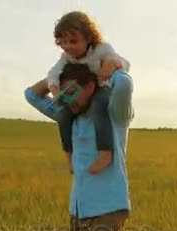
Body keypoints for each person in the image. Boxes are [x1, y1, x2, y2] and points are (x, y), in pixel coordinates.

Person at [24, 63, 134, 231]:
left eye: (73, 92)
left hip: (109, 210)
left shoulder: (114, 113)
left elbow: (125, 85)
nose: (66, 99)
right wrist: (54, 78)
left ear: (90, 87)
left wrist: (113, 69)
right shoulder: (68, 115)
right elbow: (31, 95)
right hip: (78, 210)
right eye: (63, 94)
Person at [47, 11, 131, 174]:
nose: (68, 47)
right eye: (63, 42)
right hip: (79, 93)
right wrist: (54, 87)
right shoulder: (67, 57)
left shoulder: (101, 49)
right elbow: (53, 73)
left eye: (73, 41)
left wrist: (112, 63)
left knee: (99, 106)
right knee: (62, 114)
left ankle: (105, 152)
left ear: (89, 37)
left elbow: (125, 64)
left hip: (102, 88)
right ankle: (69, 156)